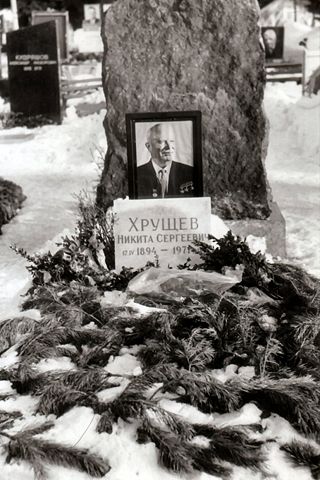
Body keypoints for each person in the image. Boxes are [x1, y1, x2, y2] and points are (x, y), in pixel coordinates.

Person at [137, 123, 194, 198]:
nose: (169, 147)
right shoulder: (137, 175)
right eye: (161, 142)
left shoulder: (191, 173)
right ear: (148, 146)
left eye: (172, 141)